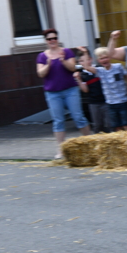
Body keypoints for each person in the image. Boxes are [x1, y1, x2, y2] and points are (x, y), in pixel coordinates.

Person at [35, 29, 91, 159]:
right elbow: (40, 73)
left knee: (78, 117)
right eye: (49, 39)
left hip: (70, 90)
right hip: (53, 93)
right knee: (58, 120)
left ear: (57, 39)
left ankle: (89, 144)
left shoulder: (66, 52)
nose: (52, 40)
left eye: (54, 38)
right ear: (46, 41)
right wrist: (48, 65)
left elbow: (72, 68)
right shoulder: (42, 56)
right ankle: (61, 150)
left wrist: (62, 60)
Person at [95, 46, 127, 131]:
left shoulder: (118, 67)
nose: (104, 60)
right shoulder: (100, 71)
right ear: (98, 61)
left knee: (126, 125)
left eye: (106, 57)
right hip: (110, 103)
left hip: (122, 101)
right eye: (101, 58)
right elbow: (87, 67)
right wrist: (85, 52)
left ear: (110, 57)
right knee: (116, 127)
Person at [73, 48, 109, 133]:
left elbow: (87, 67)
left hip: (105, 100)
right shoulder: (83, 75)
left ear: (91, 59)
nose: (84, 62)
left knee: (109, 123)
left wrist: (85, 52)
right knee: (97, 125)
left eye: (86, 59)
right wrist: (79, 80)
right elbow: (85, 90)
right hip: (93, 103)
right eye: (81, 61)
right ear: (78, 62)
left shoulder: (98, 69)